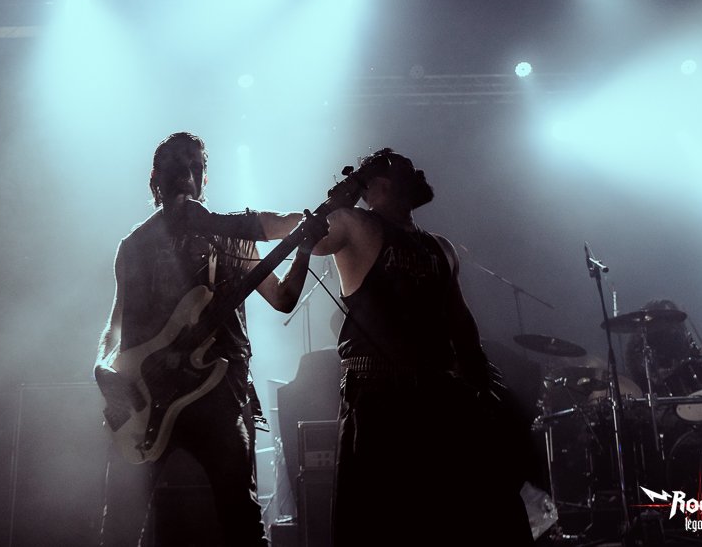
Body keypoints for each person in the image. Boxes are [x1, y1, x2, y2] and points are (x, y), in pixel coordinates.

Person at [93, 131, 322, 547]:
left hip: (220, 394)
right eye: (177, 167)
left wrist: (303, 249)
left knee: (242, 522)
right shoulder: (134, 246)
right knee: (120, 525)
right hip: (148, 398)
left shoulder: (231, 235)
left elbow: (284, 298)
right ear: (155, 180)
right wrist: (103, 368)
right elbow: (117, 323)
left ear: (206, 179)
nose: (187, 176)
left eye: (196, 167)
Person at [300, 148, 534, 546]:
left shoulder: (440, 247)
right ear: (377, 185)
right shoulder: (356, 225)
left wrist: (481, 390)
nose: (416, 171)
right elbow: (294, 231)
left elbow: (462, 323)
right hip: (377, 400)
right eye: (402, 167)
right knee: (384, 521)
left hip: (438, 397)